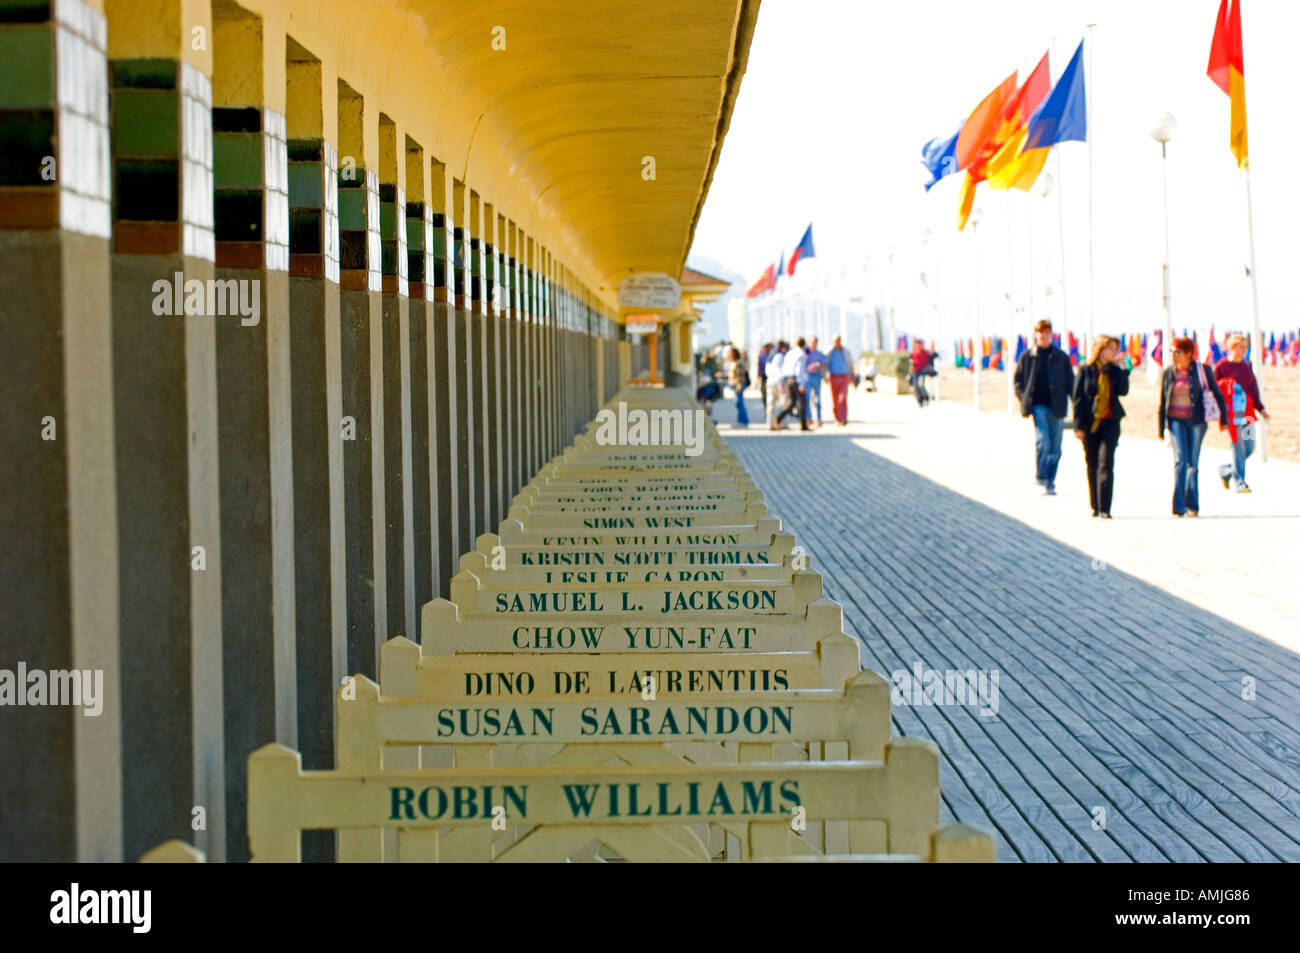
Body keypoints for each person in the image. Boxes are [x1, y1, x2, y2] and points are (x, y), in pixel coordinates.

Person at [1158, 337, 1226, 517]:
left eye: (1177, 352)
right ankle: (1178, 505)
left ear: (1188, 354)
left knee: (1192, 463)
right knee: (1181, 461)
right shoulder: (1169, 372)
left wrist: (1223, 419)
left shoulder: (1202, 370)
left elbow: (1217, 393)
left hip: (1197, 421)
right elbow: (1163, 400)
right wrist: (1161, 427)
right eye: (1171, 351)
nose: (1173, 355)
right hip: (1175, 421)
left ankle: (1192, 504)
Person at [1013, 319, 1075, 496]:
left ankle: (1051, 481)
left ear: (1051, 335)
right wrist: (1024, 399)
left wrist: (1076, 403)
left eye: (1047, 332)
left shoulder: (1060, 357)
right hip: (1038, 406)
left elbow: (1070, 382)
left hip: (1057, 407)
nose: (1044, 336)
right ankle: (1041, 478)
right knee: (1043, 442)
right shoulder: (1028, 356)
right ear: (1035, 335)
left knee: (1056, 447)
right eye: (1041, 332)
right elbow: (1018, 381)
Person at [1072, 335, 1129, 519]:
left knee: (1106, 463)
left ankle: (1105, 508)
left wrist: (1123, 369)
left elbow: (1123, 391)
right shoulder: (1087, 370)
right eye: (1111, 348)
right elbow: (1078, 399)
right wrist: (1078, 426)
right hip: (1090, 424)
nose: (1114, 352)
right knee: (1092, 463)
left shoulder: (1115, 371)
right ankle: (1094, 505)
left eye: (1115, 348)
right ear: (1100, 349)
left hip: (1110, 422)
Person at [1214, 333, 1270, 493]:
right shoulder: (1222, 366)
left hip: (1247, 413)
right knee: (1238, 448)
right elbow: (1214, 388)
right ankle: (1240, 483)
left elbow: (1253, 389)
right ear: (1232, 347)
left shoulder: (1246, 367)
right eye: (1241, 347)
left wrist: (1262, 409)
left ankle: (1225, 471)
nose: (1244, 350)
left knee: (1249, 448)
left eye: (1245, 347)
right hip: (1232, 414)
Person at [775, 336, 809, 432]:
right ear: (804, 345)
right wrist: (801, 383)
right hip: (797, 380)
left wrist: (783, 381)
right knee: (802, 403)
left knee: (791, 402)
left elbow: (784, 367)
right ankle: (803, 425)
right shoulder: (801, 354)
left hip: (788, 379)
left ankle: (779, 417)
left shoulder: (789, 353)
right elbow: (799, 370)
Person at [826, 336, 854, 425]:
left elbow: (850, 364)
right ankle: (837, 418)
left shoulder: (845, 352)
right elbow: (825, 364)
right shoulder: (830, 352)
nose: (836, 342)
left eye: (838, 341)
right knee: (835, 400)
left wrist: (852, 376)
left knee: (843, 398)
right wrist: (825, 376)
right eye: (835, 341)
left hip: (844, 377)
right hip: (833, 377)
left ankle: (843, 418)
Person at [805, 337, 828, 427]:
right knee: (807, 398)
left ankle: (818, 419)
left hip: (816, 377)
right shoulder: (806, 353)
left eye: (815, 342)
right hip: (807, 377)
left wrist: (817, 365)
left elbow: (824, 365)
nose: (813, 344)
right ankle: (809, 418)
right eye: (812, 342)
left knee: (817, 399)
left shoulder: (819, 354)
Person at [766, 341, 787, 429]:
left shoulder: (771, 354)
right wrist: (781, 384)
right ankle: (782, 424)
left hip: (770, 380)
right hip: (776, 381)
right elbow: (778, 371)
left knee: (770, 404)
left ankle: (770, 424)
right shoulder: (779, 355)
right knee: (782, 403)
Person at [728, 346, 750, 427]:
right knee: (737, 403)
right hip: (734, 385)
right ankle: (741, 420)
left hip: (738, 385)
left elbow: (740, 376)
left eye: (731, 354)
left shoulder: (738, 363)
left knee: (740, 403)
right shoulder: (733, 362)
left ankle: (744, 420)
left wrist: (739, 387)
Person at [909, 340, 933, 407]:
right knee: (916, 386)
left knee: (921, 385)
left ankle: (926, 398)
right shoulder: (913, 353)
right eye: (916, 344)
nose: (917, 346)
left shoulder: (924, 352)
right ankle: (920, 400)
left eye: (918, 344)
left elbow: (929, 359)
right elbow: (911, 362)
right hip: (915, 371)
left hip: (923, 371)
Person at [756, 343, 774, 414]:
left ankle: (769, 412)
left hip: (770, 377)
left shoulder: (772, 356)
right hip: (764, 378)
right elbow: (759, 366)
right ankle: (766, 410)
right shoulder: (762, 356)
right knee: (764, 394)